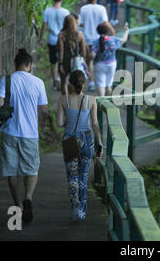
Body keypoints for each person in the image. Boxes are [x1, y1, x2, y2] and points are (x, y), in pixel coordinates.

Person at [0, 48, 49, 223]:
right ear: (30, 65)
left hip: (9, 132)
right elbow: (44, 110)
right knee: (32, 169)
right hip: (30, 134)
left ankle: (18, 206)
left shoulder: (7, 80)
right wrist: (42, 122)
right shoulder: (38, 82)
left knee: (12, 171)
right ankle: (29, 198)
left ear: (15, 64)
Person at [56, 70, 103, 221]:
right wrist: (100, 143)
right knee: (83, 176)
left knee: (72, 176)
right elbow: (95, 123)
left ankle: (74, 202)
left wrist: (68, 122)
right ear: (84, 83)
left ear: (70, 83)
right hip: (87, 140)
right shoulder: (92, 100)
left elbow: (59, 123)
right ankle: (82, 211)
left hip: (70, 140)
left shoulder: (63, 100)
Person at [38, 0, 70, 91]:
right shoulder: (65, 12)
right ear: (61, 0)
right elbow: (69, 26)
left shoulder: (47, 11)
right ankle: (63, 80)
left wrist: (41, 39)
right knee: (63, 60)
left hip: (52, 39)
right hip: (63, 39)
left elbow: (44, 27)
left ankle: (55, 82)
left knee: (53, 62)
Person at [80, 0, 109, 92]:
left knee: (90, 61)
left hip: (87, 39)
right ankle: (103, 84)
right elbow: (105, 23)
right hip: (99, 39)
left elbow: (81, 24)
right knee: (101, 61)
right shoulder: (101, 9)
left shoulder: (83, 9)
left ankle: (92, 83)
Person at [90, 21, 129, 96]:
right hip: (112, 64)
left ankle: (102, 102)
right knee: (108, 85)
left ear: (98, 31)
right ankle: (108, 101)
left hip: (100, 65)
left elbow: (92, 55)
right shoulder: (113, 40)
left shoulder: (96, 42)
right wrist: (127, 30)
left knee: (100, 84)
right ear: (108, 31)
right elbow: (123, 40)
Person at [57, 14, 87, 95]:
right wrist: (83, 61)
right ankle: (75, 100)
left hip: (65, 61)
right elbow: (83, 50)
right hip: (76, 61)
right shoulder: (80, 34)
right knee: (76, 81)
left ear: (65, 23)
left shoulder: (61, 35)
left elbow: (61, 51)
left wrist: (60, 64)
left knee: (64, 82)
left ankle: (66, 101)